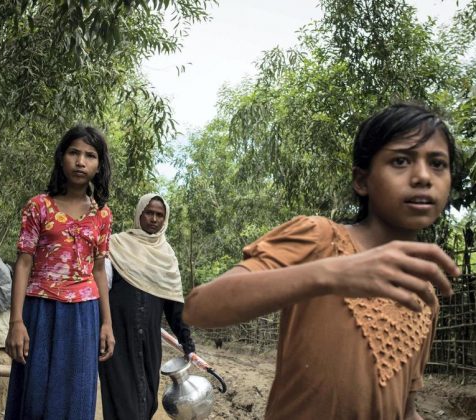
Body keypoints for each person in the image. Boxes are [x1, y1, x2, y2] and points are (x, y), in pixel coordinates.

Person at [183, 103, 460, 420]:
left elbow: (405, 408)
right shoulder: (321, 238)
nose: (423, 176)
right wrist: (330, 273)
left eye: (438, 164)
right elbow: (199, 308)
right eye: (400, 161)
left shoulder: (423, 294)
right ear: (362, 180)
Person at [4, 125, 115, 420]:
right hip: (39, 310)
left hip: (84, 315)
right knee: (34, 396)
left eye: (90, 156)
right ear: (61, 157)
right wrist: (16, 321)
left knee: (76, 395)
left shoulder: (102, 215)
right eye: (74, 153)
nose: (80, 162)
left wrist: (107, 323)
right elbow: (23, 263)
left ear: (99, 165)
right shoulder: (38, 206)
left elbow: (99, 270)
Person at [99, 193, 195, 420]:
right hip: (117, 339)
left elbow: (174, 307)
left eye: (159, 215)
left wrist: (187, 341)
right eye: (149, 213)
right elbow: (100, 289)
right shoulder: (116, 246)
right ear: (139, 214)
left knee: (147, 399)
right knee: (122, 402)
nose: (154, 219)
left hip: (150, 342)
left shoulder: (167, 257)